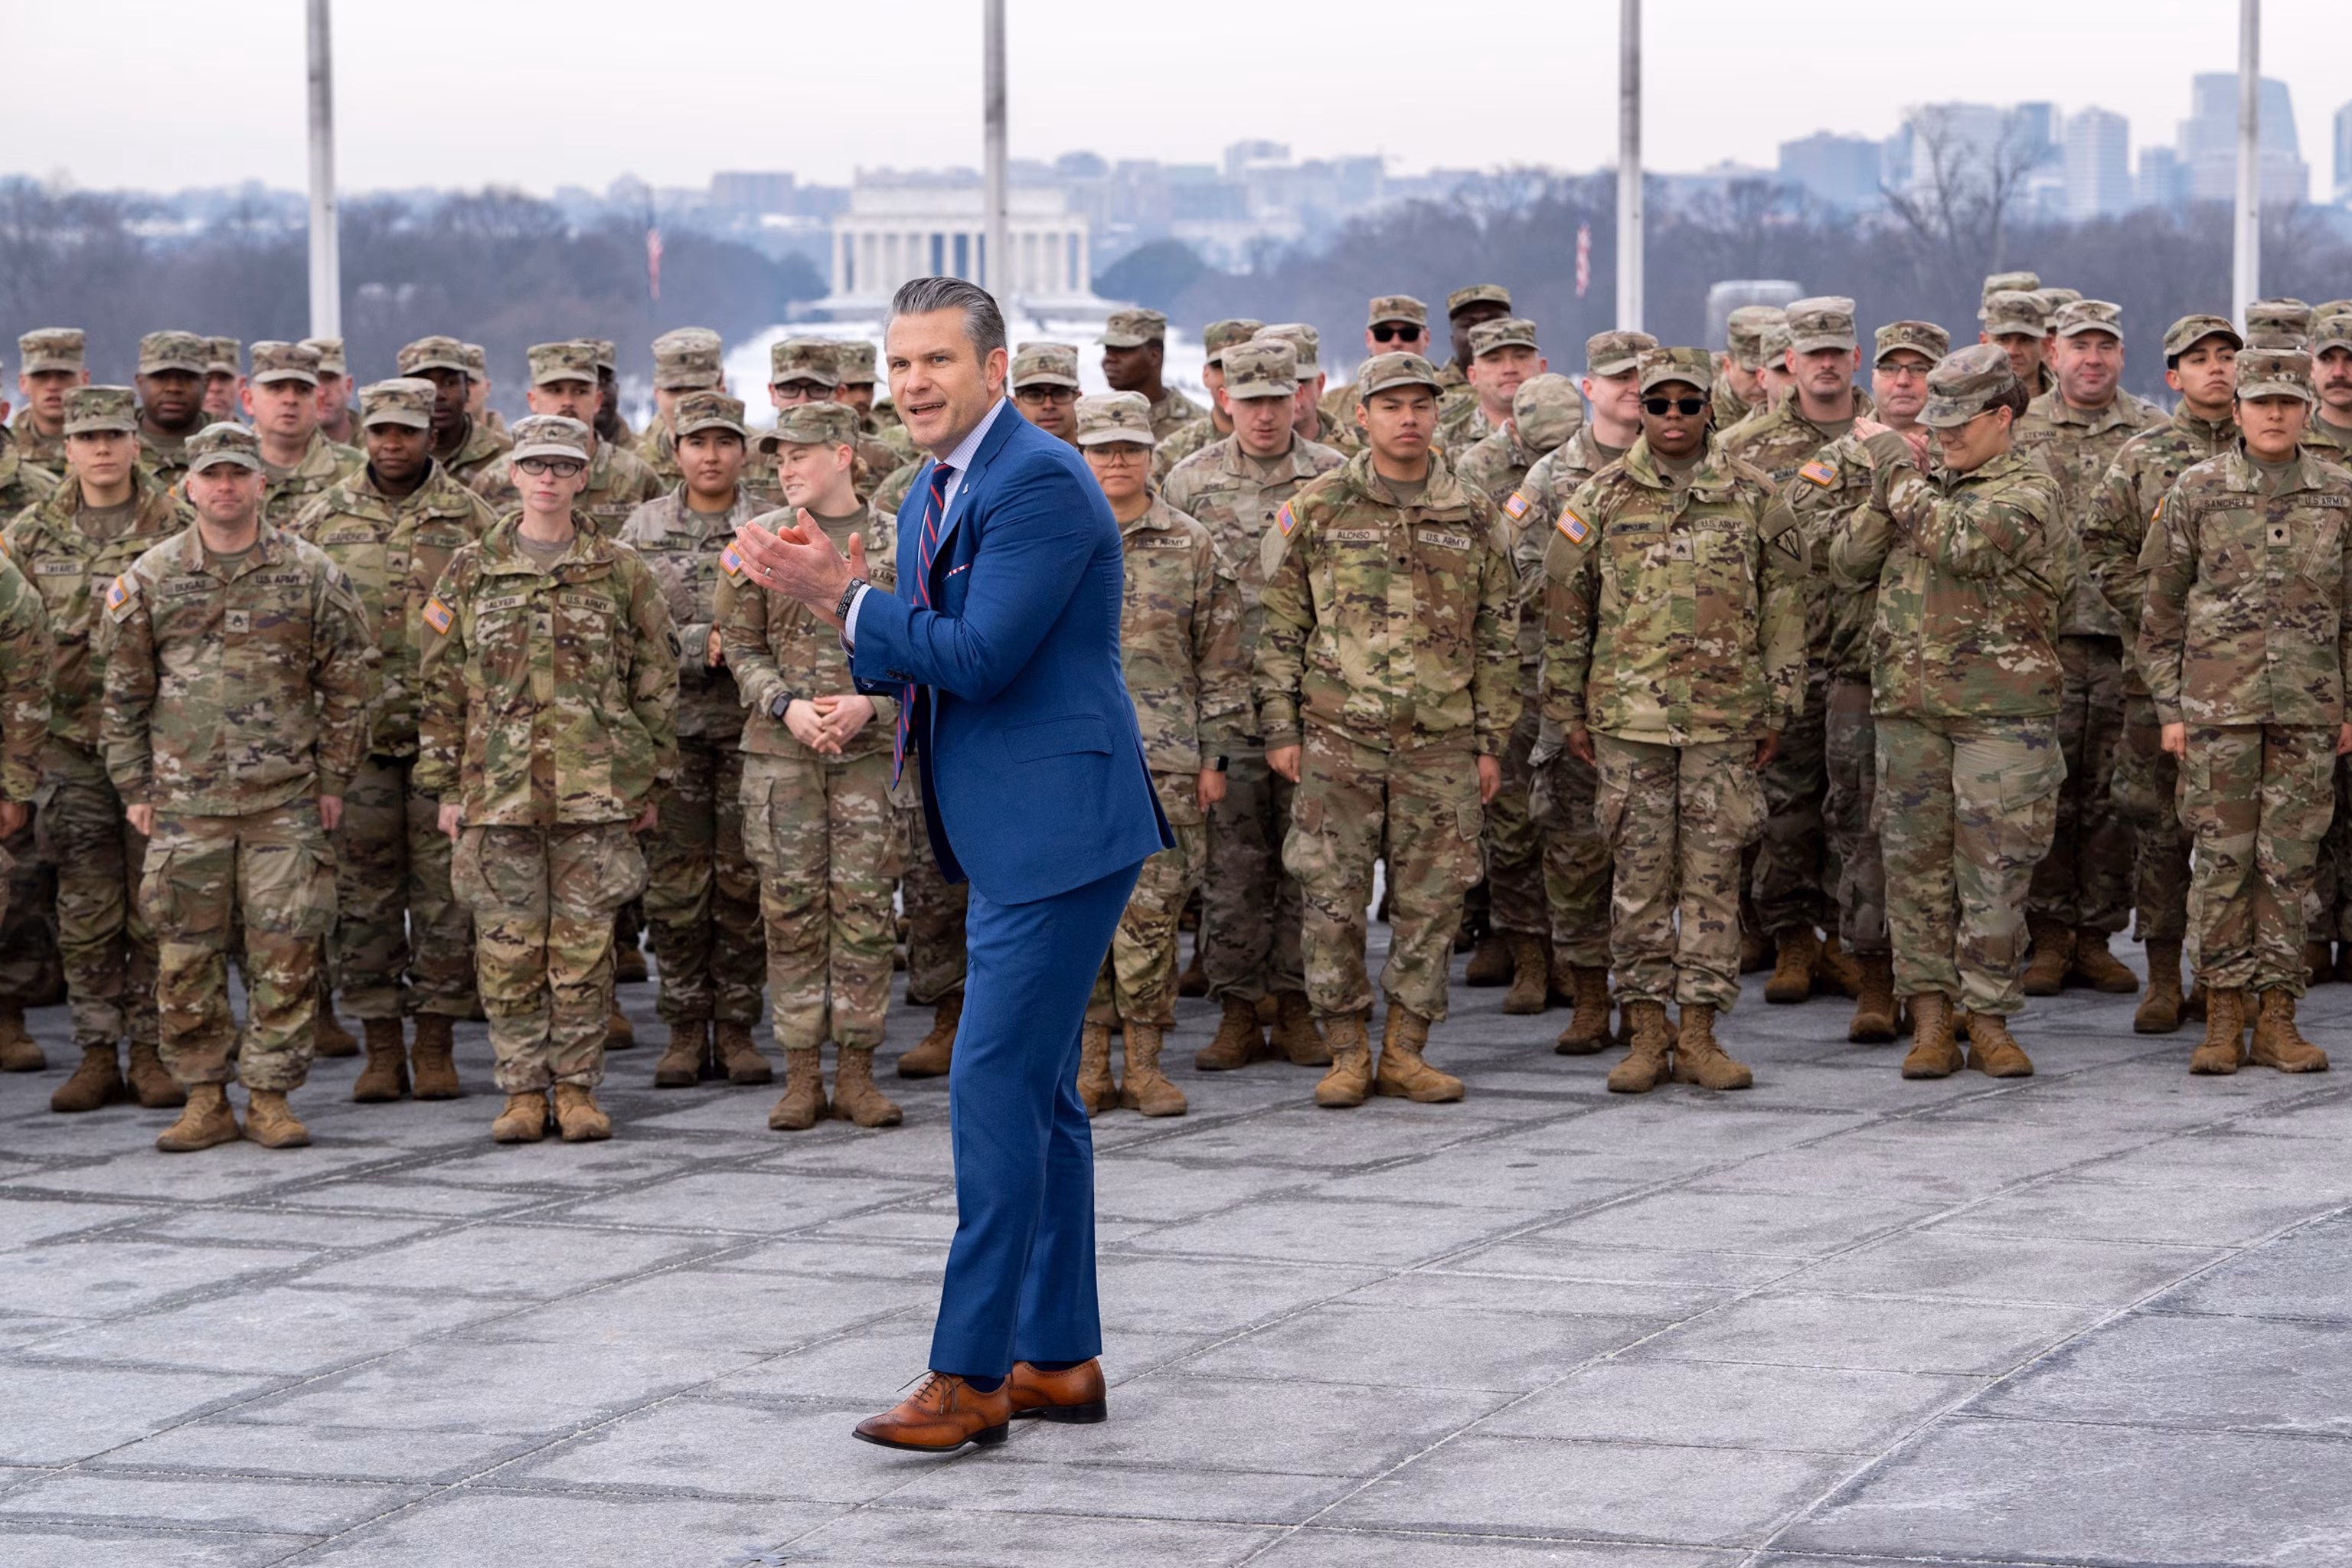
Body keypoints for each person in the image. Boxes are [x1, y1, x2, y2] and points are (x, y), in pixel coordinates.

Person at [730, 274, 1168, 1452]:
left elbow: (978, 656)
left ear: (994, 370)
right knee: (1042, 1099)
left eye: (936, 362)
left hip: (1060, 827)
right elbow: (948, 661)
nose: (913, 384)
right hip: (1010, 817)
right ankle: (1059, 1358)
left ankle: (968, 1377)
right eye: (901, 363)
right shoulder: (937, 483)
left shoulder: (1034, 481)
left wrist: (837, 592)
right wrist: (874, 702)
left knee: (989, 1090)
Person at [1256, 351, 1517, 1109]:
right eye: (1391, 405)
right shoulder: (1321, 504)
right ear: (1360, 415)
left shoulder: (1472, 509)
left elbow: (1500, 633)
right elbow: (1276, 622)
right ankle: (1345, 1047)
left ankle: (1405, 1048)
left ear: (1439, 413)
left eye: (1421, 405)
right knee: (1331, 898)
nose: (1408, 418)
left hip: (1440, 744)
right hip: (1339, 739)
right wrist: (1280, 727)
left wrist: (1490, 740)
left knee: (1432, 902)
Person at [105, 422, 371, 1152]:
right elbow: (125, 694)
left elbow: (348, 684)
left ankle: (271, 1097)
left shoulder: (311, 571)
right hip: (185, 802)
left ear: (262, 483)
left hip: (284, 798)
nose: (225, 488)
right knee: (185, 957)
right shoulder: (152, 577)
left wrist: (336, 778)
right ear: (187, 486)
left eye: (238, 475)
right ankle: (202, 1097)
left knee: (286, 954)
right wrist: (135, 783)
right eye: (212, 476)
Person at [1547, 346, 1805, 1094]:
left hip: (1725, 723)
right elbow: (1567, 611)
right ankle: (1647, 1030)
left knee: (1715, 880)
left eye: (1686, 404)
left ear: (1707, 408)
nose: (1670, 417)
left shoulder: (1756, 496)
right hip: (1630, 724)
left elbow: (1788, 605)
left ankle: (1699, 1032)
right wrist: (1565, 706)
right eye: (1656, 404)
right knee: (1638, 882)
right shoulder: (1600, 498)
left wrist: (1780, 701)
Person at [416, 413, 680, 1145]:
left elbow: (655, 678)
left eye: (563, 466)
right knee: (507, 952)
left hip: (594, 794)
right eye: (535, 465)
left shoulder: (621, 569)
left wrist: (649, 781)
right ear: (513, 473)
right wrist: (445, 789)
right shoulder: (470, 570)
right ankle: (523, 1092)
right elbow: (439, 687)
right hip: (496, 796)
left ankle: (579, 1088)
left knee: (584, 951)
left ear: (584, 474)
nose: (548, 478)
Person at [1827, 345, 2069, 1080]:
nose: (1944, 436)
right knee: (1915, 873)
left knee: (1994, 875)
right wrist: (1889, 488)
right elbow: (1843, 563)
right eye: (1937, 423)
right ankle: (1931, 1022)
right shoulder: (1917, 484)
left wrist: (1894, 468)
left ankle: (1990, 1019)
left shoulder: (2031, 488)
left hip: (2003, 714)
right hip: (1910, 708)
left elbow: (1961, 545)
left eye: (1959, 424)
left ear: (2004, 417)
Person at [2138, 348, 2352, 1075]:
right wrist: (2172, 708)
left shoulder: (2339, 495)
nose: (2274, 414)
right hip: (2215, 710)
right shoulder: (2197, 490)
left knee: (2290, 865)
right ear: (2237, 410)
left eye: (2288, 403)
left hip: (2308, 709)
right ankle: (2223, 1014)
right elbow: (2161, 612)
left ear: (2307, 410)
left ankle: (2280, 1016)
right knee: (2221, 862)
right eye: (2261, 401)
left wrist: (2346, 703)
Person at [290, 377, 496, 1102]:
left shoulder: (471, 518)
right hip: (359, 746)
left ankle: (435, 1042)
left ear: (430, 434)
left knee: (445, 898)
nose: (393, 443)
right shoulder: (322, 518)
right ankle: (381, 1045)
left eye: (406, 430)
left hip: (446, 744)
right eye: (380, 430)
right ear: (362, 431)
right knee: (364, 902)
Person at [717, 401, 902, 1129]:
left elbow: (928, 643)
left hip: (868, 758)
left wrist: (874, 706)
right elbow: (739, 645)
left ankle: (857, 1073)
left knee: (863, 916)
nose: (785, 468)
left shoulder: (895, 540)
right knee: (790, 915)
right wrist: (784, 705)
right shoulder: (757, 542)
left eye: (800, 453)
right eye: (779, 457)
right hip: (782, 759)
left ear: (844, 455)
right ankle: (801, 1075)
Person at [1161, 339, 1344, 1070]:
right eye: (1251, 400)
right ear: (1224, 401)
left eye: (1279, 398)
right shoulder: (1190, 482)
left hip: (1311, 702)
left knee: (1309, 862)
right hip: (1227, 708)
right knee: (1233, 869)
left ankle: (1298, 1005)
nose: (1266, 414)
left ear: (1301, 397)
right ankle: (1238, 1008)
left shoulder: (1332, 477)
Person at [11, 387, 188, 1114]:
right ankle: (95, 1051)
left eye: (116, 434)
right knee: (85, 907)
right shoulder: (28, 535)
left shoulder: (179, 524)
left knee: (158, 903)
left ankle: (151, 1050)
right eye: (89, 438)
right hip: (70, 750)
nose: (103, 449)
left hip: (158, 747)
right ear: (67, 449)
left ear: (136, 442)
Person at [1072, 390, 1246, 1119]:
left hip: (1167, 759)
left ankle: (1144, 1062)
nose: (1117, 460)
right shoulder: (1052, 536)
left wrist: (1215, 759)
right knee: (1079, 916)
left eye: (1131, 448)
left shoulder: (1192, 543)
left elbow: (1222, 658)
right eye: (1103, 447)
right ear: (1080, 455)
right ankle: (1086, 1062)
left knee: (1153, 913)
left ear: (1152, 455)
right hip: (1073, 757)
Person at [1786, 319, 1950, 1043]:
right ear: (1871, 378)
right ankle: (1876, 981)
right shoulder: (1834, 462)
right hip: (1862, 672)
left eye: (1922, 370)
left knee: (1952, 840)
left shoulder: (1972, 455)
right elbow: (1827, 556)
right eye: (1894, 370)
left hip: (1953, 677)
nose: (1907, 382)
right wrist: (1890, 477)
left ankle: (1948, 991)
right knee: (1864, 833)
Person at [2081, 315, 2242, 1031]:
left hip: (2247, 682)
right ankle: (2164, 977)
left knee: (2237, 834)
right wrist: (2158, 616)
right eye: (2197, 359)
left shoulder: (2272, 451)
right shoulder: (2144, 455)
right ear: (2173, 376)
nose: (2217, 369)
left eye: (2227, 357)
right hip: (2160, 683)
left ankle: (2225, 975)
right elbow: (2099, 546)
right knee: (2159, 829)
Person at [1720, 296, 1871, 1006]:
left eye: (1838, 352)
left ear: (1855, 358)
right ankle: (1789, 940)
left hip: (1864, 654)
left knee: (1857, 807)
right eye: (1813, 355)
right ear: (1789, 363)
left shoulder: (1891, 438)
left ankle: (1845, 938)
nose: (1827, 365)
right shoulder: (1746, 448)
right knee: (1782, 807)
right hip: (1783, 657)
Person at [1509, 329, 1655, 1052]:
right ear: (1588, 387)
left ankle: (1649, 1001)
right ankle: (1591, 995)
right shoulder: (1550, 481)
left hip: (1660, 701)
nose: (1633, 387)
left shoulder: (1700, 468)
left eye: (1644, 376)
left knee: (1653, 860)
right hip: (1566, 697)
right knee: (1572, 853)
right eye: (1617, 376)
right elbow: (1526, 586)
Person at [2013, 299, 2164, 997]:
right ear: (2053, 352)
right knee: (2045, 793)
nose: (2092, 358)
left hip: (2122, 646)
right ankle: (2046, 936)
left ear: (2123, 357)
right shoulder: (2017, 429)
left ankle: (2095, 936)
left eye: (2106, 345)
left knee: (2111, 799)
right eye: (2079, 346)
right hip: (2037, 645)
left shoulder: (2152, 435)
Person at [618, 392, 769, 1091]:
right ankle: (682, 1028)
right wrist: (691, 644)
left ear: (744, 450)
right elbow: (623, 625)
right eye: (697, 443)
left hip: (751, 731)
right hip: (673, 733)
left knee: (742, 882)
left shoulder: (771, 525)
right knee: (676, 889)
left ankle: (737, 1026)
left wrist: (734, 647)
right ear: (674, 452)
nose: (711, 456)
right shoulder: (642, 527)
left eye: (724, 442)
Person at [1455, 373, 1584, 1014]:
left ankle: (1572, 951)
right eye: (1542, 451)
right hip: (1510, 664)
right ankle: (1526, 950)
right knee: (1508, 820)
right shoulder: (1477, 469)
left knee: (1567, 819)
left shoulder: (1591, 465)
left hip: (1573, 667)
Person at [471, 341, 665, 536]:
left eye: (580, 391)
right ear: (532, 399)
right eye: (554, 391)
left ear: (597, 400)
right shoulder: (493, 481)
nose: (567, 402)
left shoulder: (637, 477)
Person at [0, 530, 52, 1076]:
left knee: (10, 901)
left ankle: (7, 1015)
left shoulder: (3, 579)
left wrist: (15, 786)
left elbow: (26, 684)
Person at [243, 342, 361, 525]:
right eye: (276, 387)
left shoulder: (357, 472)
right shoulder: (219, 471)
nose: (290, 400)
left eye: (303, 390)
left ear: (319, 404)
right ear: (248, 400)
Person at [1152, 318, 1260, 482]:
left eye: (1247, 367)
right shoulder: (1171, 454)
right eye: (1222, 367)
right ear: (1205, 375)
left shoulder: (1298, 444)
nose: (1234, 378)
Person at [397, 336, 511, 488]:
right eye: (424, 384)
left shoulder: (508, 457)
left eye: (450, 383)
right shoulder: (382, 460)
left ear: (467, 391)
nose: (438, 394)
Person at [1318, 296, 1431, 446]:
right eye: (1383, 334)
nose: (1396, 342)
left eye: (1408, 334)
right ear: (1368, 339)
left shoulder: (1460, 397)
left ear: (1426, 338)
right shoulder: (1331, 406)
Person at [633, 328, 727, 487]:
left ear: (721, 386)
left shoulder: (763, 458)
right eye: (674, 391)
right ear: (657, 392)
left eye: (698, 390)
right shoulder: (631, 464)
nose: (685, 402)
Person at [1442, 318, 1547, 450]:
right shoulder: (1444, 445)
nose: (1509, 369)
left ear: (1542, 368)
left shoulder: (1569, 436)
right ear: (1473, 376)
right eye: (1494, 360)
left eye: (1521, 357)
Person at [1099, 308, 1203, 439]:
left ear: (1154, 355)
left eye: (1123, 350)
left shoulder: (1197, 425)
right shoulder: (1094, 419)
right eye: (1108, 350)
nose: (1109, 359)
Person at [132, 332, 211, 490]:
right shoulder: (113, 444)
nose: (173, 388)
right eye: (161, 377)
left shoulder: (231, 443)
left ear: (206, 384)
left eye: (186, 378)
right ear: (140, 382)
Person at [14, 328, 88, 480]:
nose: (53, 386)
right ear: (23, 383)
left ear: (84, 380)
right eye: (40, 376)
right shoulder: (6, 450)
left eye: (64, 374)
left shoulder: (112, 447)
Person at [1713, 306, 1785, 429]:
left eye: (1776, 370)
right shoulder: (1693, 403)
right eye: (1752, 373)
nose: (1764, 382)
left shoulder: (1811, 400)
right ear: (1727, 366)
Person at [1980, 291, 2056, 397]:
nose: (2012, 351)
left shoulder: (2073, 401)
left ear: (2045, 345)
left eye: (2025, 340)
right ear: (1984, 343)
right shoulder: (1962, 405)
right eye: (2003, 339)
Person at [1008, 343, 1081, 446]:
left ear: (1078, 399)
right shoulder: (1002, 457)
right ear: (1015, 404)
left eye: (1060, 394)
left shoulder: (1101, 458)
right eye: (1034, 395)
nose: (1048, 405)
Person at [303, 337, 359, 447]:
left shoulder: (379, 445)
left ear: (348, 386)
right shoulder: (276, 452)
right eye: (311, 382)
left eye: (329, 379)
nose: (321, 393)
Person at [201, 338, 243, 425]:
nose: (215, 388)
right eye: (206, 378)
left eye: (224, 378)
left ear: (240, 385)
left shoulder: (256, 438)